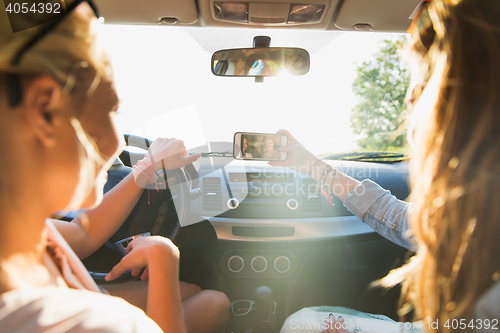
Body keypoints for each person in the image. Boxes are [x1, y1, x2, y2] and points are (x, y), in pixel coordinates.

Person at [275, 0, 500, 332]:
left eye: (424, 79)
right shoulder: (474, 209)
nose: (409, 99)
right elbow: (398, 218)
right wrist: (314, 167)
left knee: (300, 325)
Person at [0, 1, 184, 332]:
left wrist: (147, 167)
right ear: (46, 110)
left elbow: (83, 233)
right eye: (112, 109)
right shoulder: (94, 324)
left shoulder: (30, 235)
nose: (116, 146)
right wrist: (165, 259)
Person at [53, 137, 230, 333]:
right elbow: (84, 233)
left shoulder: (29, 228)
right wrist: (162, 256)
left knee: (194, 293)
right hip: (76, 309)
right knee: (215, 303)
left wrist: (148, 165)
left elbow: (83, 233)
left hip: (74, 293)